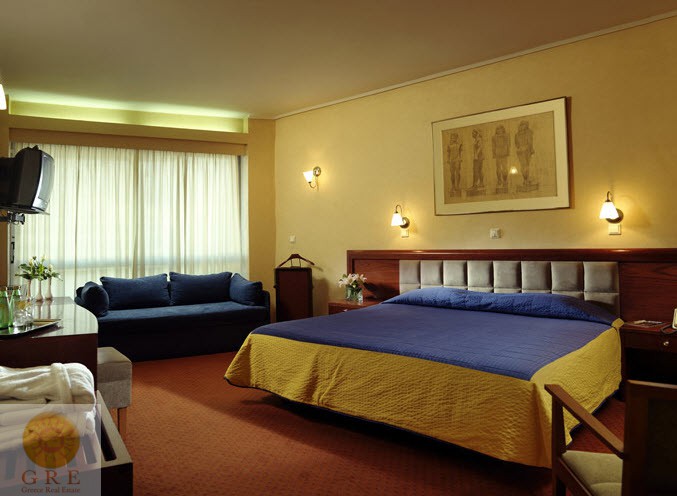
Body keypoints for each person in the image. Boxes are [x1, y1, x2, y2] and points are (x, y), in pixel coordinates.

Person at [515, 120, 534, 185]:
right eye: (522, 125)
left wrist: (521, 148)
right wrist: (530, 149)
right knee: (525, 166)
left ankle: (526, 179)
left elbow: (517, 145)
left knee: (524, 166)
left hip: (521, 151)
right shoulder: (528, 133)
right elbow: (530, 143)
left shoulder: (517, 134)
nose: (523, 126)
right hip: (525, 151)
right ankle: (526, 179)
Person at [492, 125, 510, 189]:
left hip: (504, 153)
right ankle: (499, 180)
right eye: (498, 129)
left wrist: (507, 152)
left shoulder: (506, 136)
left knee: (505, 168)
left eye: (500, 129)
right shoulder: (494, 137)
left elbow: (508, 144)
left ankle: (505, 181)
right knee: (498, 169)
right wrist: (494, 154)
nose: (499, 131)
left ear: (503, 130)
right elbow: (493, 146)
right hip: (497, 154)